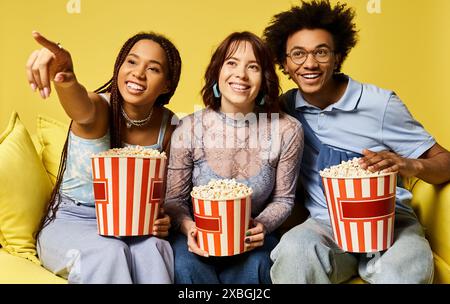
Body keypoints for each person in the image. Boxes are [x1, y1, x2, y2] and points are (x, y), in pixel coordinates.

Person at [262, 0, 450, 284]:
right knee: (294, 251)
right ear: (284, 63)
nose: (309, 63)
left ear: (338, 57)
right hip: (326, 226)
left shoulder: (380, 104)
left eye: (321, 52)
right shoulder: (285, 110)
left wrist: (410, 165)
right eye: (298, 54)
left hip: (392, 224)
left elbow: (445, 162)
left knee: (404, 272)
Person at [25, 30, 182, 283]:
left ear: (167, 84)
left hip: (133, 225)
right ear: (119, 65)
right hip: (74, 221)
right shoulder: (99, 110)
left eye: (153, 69)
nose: (138, 73)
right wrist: (66, 79)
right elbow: (80, 106)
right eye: (131, 62)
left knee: (154, 249)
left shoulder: (169, 127)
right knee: (110, 253)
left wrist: (165, 218)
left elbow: (171, 192)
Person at [163, 31, 304, 284]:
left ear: (265, 79)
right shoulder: (188, 128)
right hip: (196, 237)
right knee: (184, 265)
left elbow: (284, 199)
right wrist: (188, 228)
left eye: (253, 67)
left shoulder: (287, 129)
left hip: (252, 240)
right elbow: (174, 200)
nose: (241, 74)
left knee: (258, 264)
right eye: (231, 63)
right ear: (217, 71)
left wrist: (262, 226)